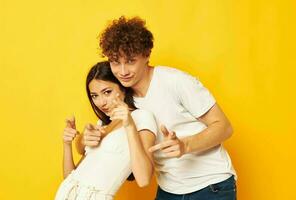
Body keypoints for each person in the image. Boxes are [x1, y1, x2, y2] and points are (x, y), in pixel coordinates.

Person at [79, 16, 237, 200]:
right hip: (169, 190)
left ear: (146, 55)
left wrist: (185, 145)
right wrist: (83, 139)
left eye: (130, 61)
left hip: (210, 186)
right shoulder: (121, 96)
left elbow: (224, 127)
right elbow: (96, 139)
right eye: (115, 62)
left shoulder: (175, 81)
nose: (123, 71)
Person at [55, 61, 157, 200]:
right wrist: (67, 144)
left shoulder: (141, 117)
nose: (101, 102)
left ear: (123, 88)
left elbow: (144, 179)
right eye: (94, 96)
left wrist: (129, 126)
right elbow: (70, 180)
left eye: (107, 92)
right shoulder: (102, 124)